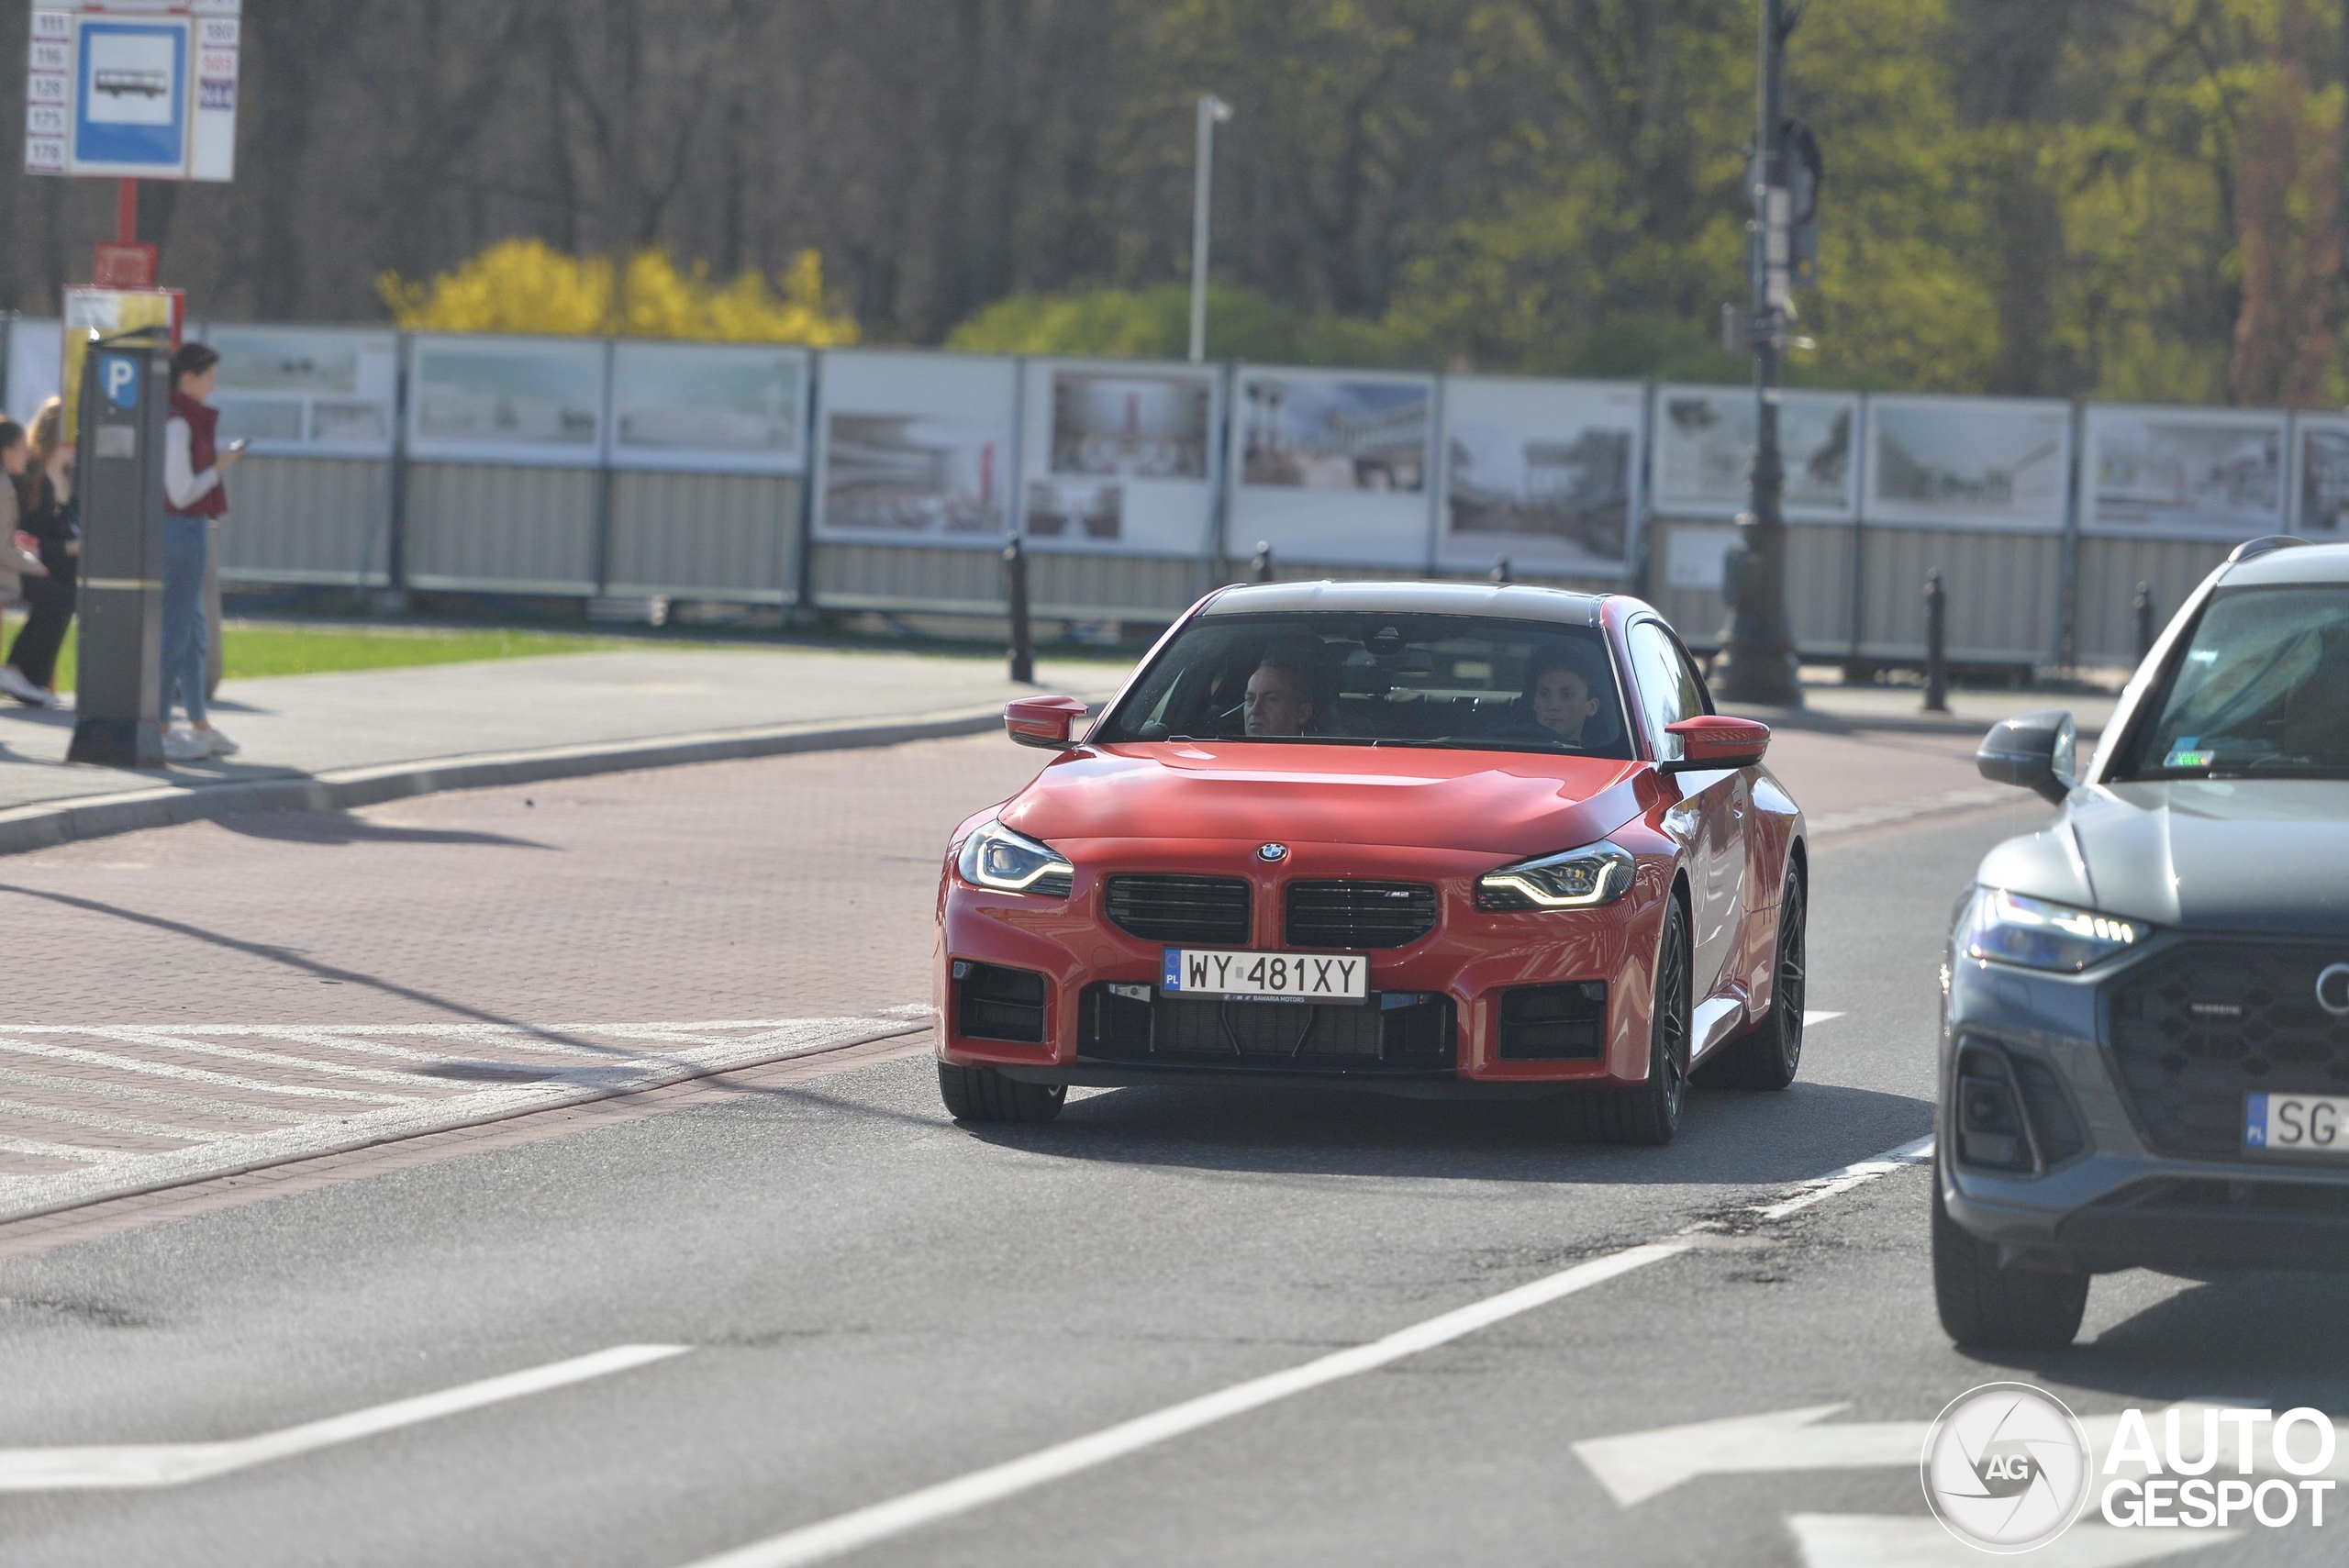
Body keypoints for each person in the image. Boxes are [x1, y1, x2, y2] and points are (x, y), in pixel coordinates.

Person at [161, 342, 240, 762]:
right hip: (180, 532)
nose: (213, 384)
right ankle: (159, 726)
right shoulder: (179, 423)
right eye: (208, 375)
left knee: (193, 635)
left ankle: (198, 725)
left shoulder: (186, 419)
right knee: (176, 632)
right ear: (188, 378)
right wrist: (219, 469)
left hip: (189, 532)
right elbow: (180, 491)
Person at [2, 402, 75, 709]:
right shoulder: (23, 477)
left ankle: (33, 678)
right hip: (16, 562)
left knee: (68, 590)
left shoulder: (73, 476)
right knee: (60, 596)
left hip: (35, 559)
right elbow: (15, 535)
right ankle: (17, 671)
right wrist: (47, 555)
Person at [1242, 651, 1319, 738]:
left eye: (1270, 700)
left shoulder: (1323, 751)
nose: (1254, 710)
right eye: (1250, 699)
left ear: (1302, 713)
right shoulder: (1225, 747)